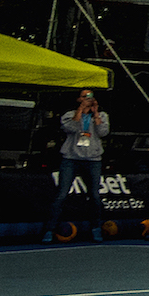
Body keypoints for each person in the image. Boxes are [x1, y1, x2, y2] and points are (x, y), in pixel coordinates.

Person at [43, 89, 109, 243]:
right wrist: (81, 110)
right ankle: (49, 229)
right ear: (79, 99)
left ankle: (95, 228)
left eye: (91, 97)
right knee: (61, 194)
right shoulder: (69, 114)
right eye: (85, 97)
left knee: (94, 195)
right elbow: (69, 128)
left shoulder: (102, 116)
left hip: (93, 159)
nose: (88, 99)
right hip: (71, 158)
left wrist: (96, 112)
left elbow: (103, 132)